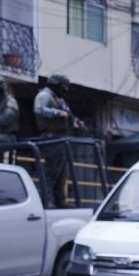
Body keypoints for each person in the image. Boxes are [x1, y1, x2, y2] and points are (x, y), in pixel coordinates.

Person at [34, 73, 84, 207]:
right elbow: (39, 110)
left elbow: (69, 114)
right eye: (63, 87)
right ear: (56, 85)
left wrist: (76, 122)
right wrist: (57, 113)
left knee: (63, 171)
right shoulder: (44, 95)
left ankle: (60, 200)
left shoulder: (59, 99)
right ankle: (46, 200)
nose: (65, 90)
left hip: (62, 138)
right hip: (51, 137)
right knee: (51, 170)